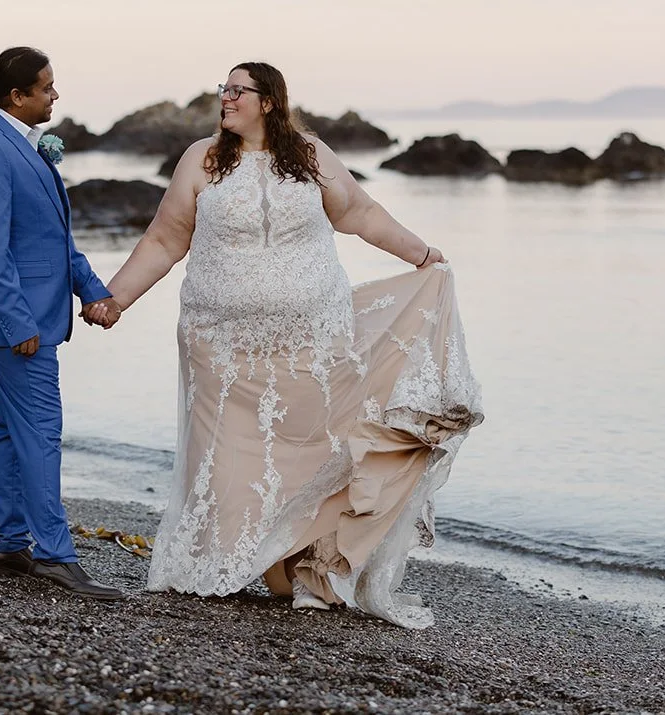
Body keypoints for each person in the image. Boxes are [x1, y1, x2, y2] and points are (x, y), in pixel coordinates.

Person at [103, 62, 483, 627]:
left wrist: (421, 254)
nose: (225, 98)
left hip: (312, 344)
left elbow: (359, 213)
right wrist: (114, 299)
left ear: (269, 102)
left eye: (237, 90)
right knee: (227, 462)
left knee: (313, 453)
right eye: (224, 89)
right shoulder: (201, 160)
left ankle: (301, 561)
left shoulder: (310, 155)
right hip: (220, 348)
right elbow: (164, 239)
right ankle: (222, 561)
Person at [0, 46, 126, 602]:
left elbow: (54, 241)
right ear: (17, 96)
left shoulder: (24, 145)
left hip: (34, 317)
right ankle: (54, 554)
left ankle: (8, 545)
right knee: (41, 431)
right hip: (18, 324)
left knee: (10, 429)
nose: (55, 95)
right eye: (47, 87)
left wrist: (94, 290)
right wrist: (17, 321)